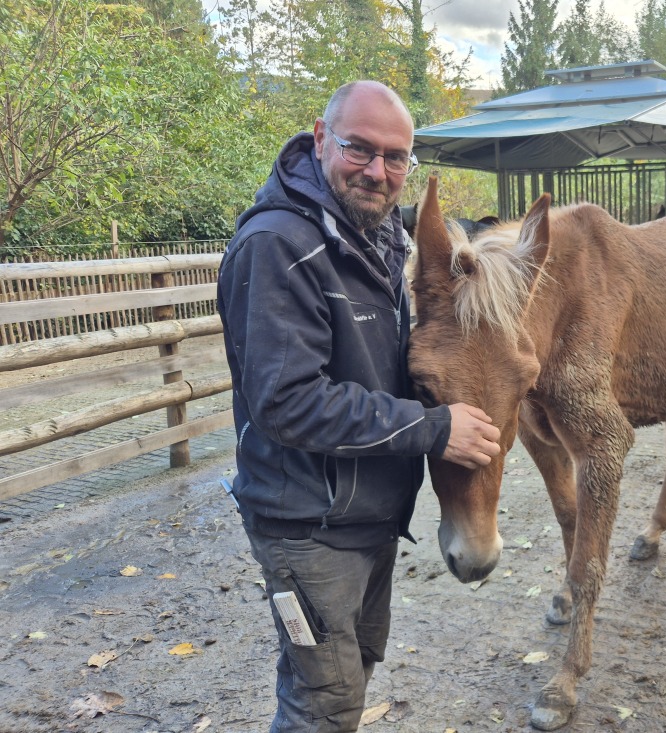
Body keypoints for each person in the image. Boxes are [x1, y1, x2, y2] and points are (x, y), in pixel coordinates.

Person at [217, 80, 502, 732]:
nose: (379, 171)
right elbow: (286, 402)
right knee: (324, 702)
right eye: (360, 149)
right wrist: (432, 428)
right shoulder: (279, 245)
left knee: (356, 666)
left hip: (367, 516)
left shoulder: (380, 237)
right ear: (321, 139)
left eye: (396, 156)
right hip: (307, 526)